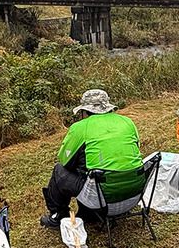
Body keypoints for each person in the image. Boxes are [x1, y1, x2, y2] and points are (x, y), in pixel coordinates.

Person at [40, 89, 142, 230]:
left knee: (59, 170)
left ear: (84, 111)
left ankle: (58, 216)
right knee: (91, 170)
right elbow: (136, 151)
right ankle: (89, 213)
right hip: (133, 194)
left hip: (101, 198)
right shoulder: (127, 122)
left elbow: (65, 160)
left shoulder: (81, 127)